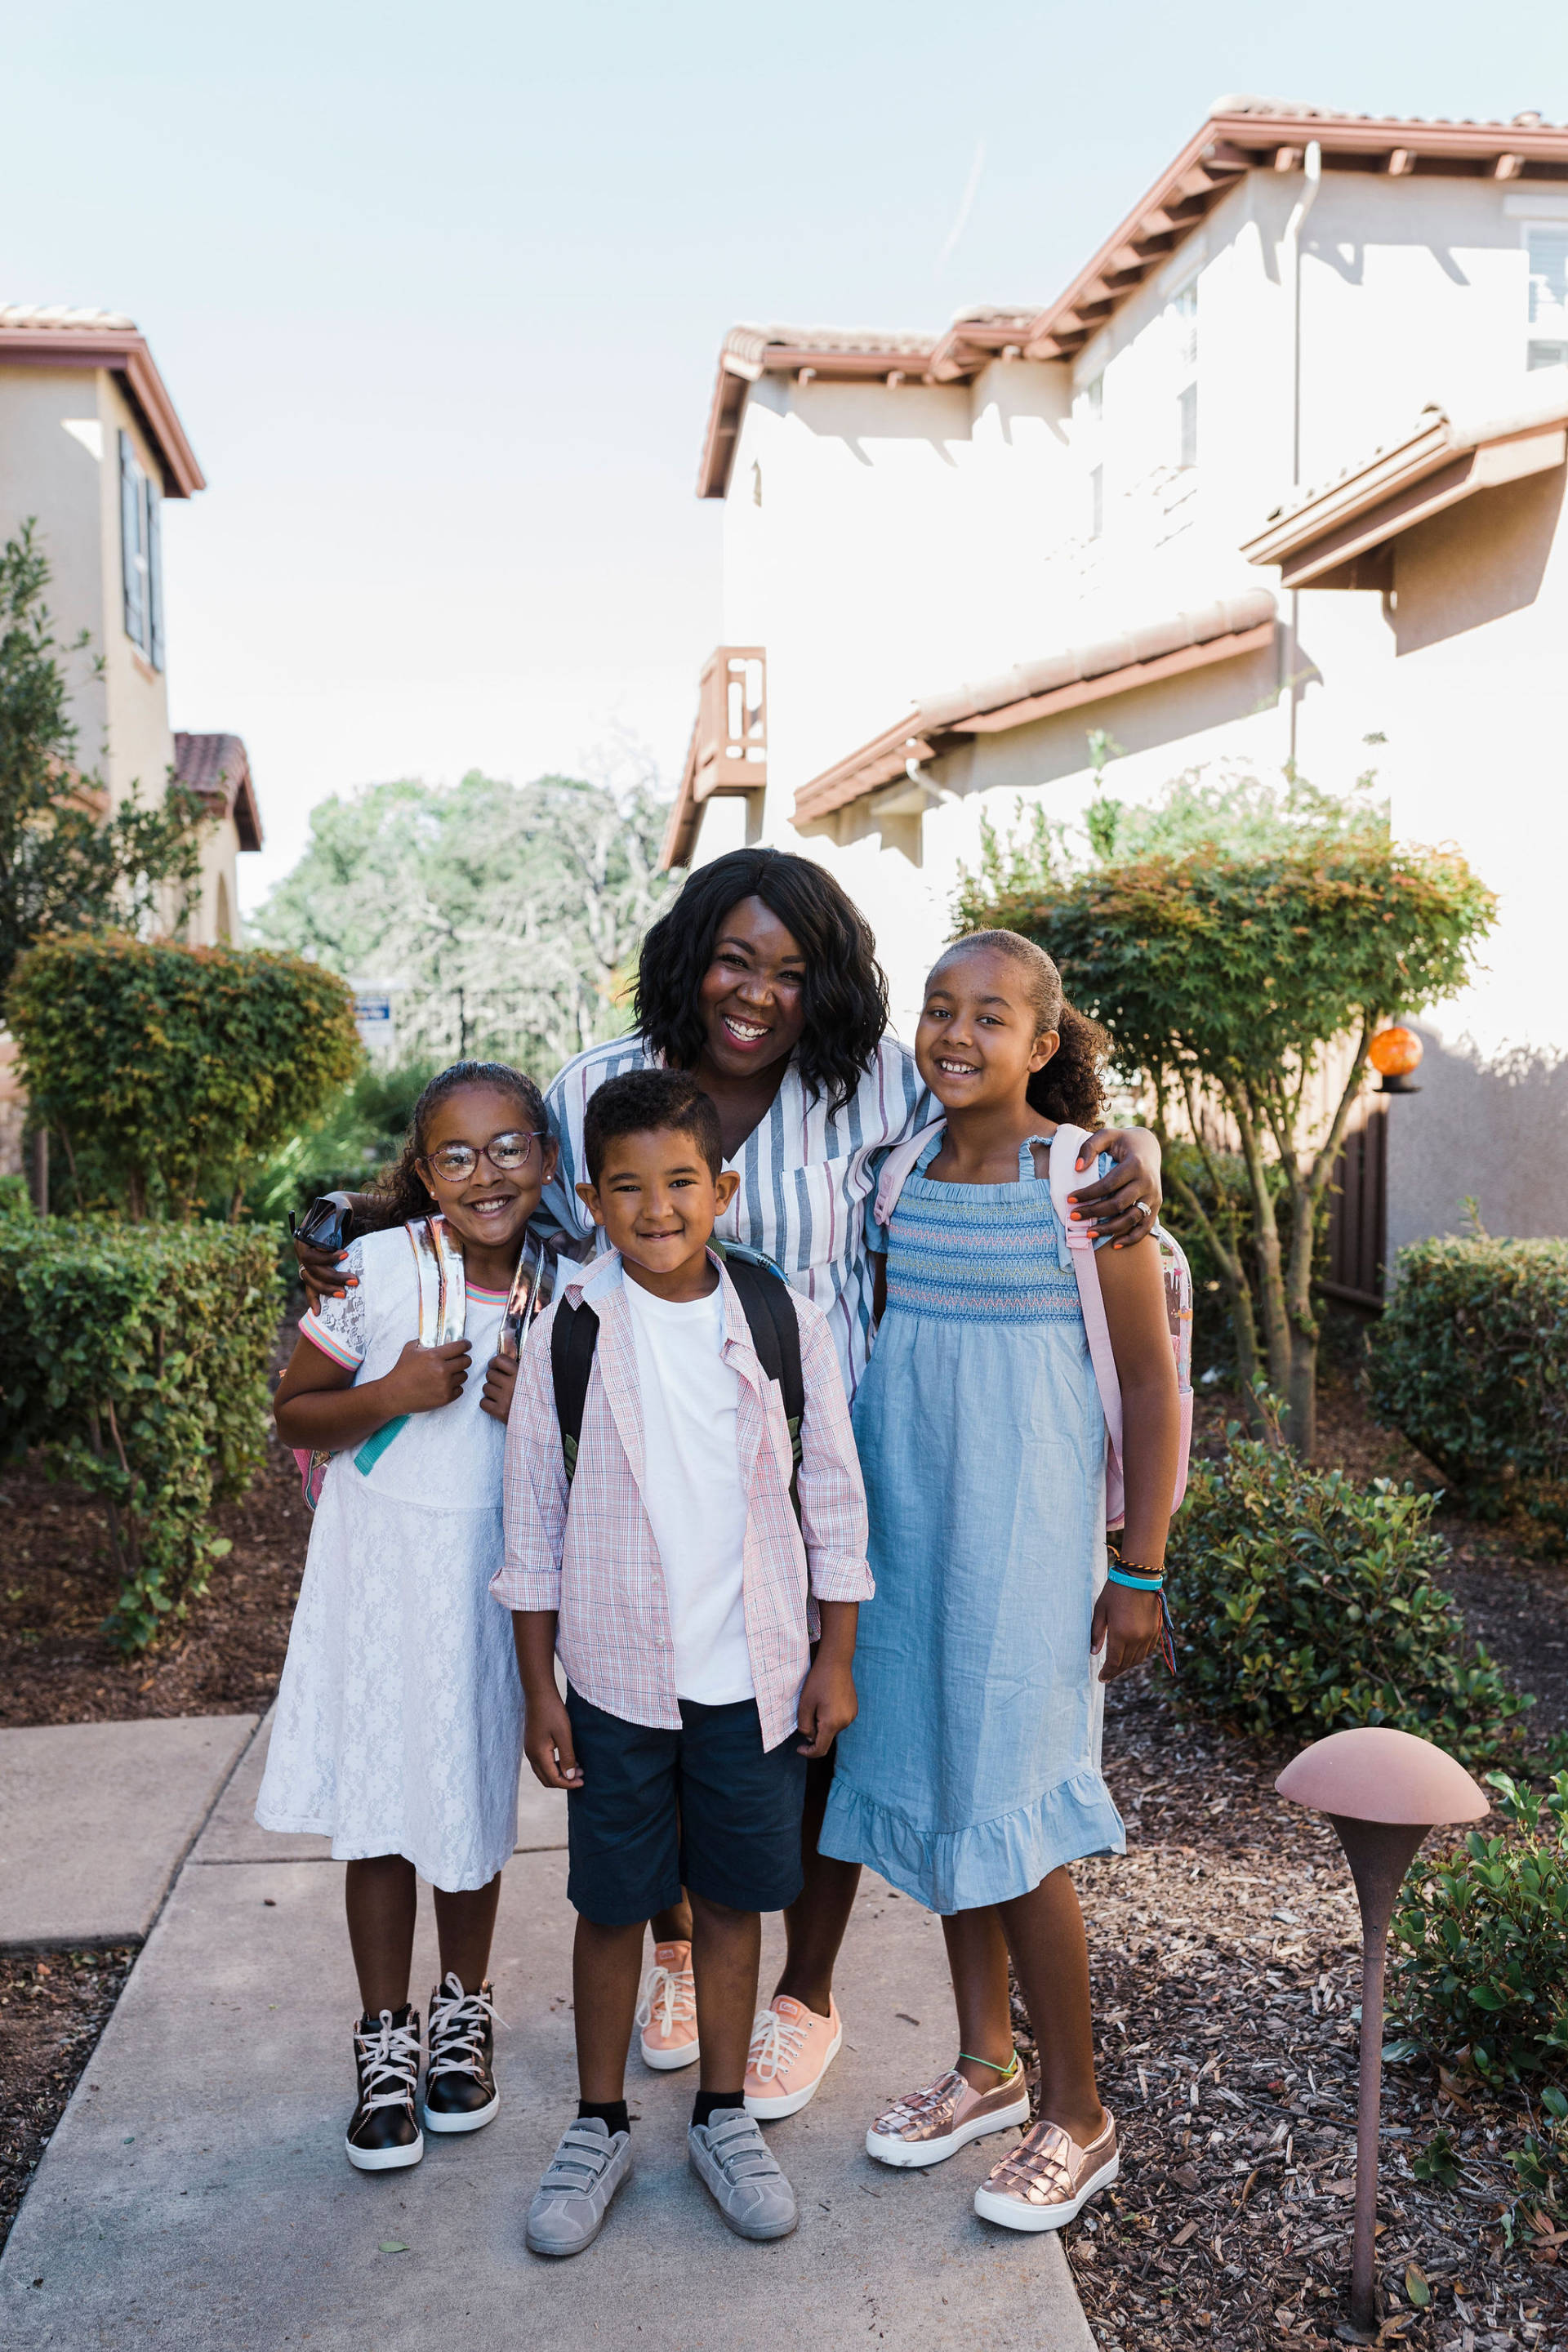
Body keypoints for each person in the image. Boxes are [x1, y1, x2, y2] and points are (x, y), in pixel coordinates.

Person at [292, 847, 1165, 2116]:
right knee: (657, 1702)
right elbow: (490, 1190)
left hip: (835, 1457)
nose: (758, 993)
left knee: (812, 1730)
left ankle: (804, 1994)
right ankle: (679, 1954)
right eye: (736, 958)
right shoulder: (598, 1085)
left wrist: (1129, 1139)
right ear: (691, 957)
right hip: (643, 1487)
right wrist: (341, 1231)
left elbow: (1019, 1126)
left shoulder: (874, 1083)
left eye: (795, 972)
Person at [820, 931, 1180, 2233]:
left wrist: (1139, 1564)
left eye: (991, 1015)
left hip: (1029, 1550)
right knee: (940, 1792)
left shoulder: (1084, 1180)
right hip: (910, 1536)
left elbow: (1150, 1384)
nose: (955, 1034)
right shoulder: (897, 1173)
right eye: (937, 1008)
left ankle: (1080, 2116)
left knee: (1021, 1824)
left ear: (1043, 1043)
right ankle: (987, 2062)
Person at [495, 1069, 870, 2256]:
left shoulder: (775, 1321)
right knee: (612, 1905)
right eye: (627, 1187)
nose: (656, 1208)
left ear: (722, 1188)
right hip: (612, 1681)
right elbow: (532, 1526)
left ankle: (721, 2114)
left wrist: (834, 1658)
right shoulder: (568, 1330)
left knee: (730, 1902)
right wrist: (538, 1688)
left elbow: (835, 1498)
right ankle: (599, 2122)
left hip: (752, 1676)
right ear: (590, 1200)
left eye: (679, 1183)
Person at [261, 1061, 557, 2172]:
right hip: (381, 1566)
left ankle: (461, 2014)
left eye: (511, 1147)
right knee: (383, 1801)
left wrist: (539, 1413)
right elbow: (296, 1407)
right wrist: (390, 1393)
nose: (487, 1174)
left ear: (546, 1155)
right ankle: (384, 2035)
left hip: (489, 1567)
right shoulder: (376, 1272)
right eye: (457, 1156)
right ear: (423, 1173)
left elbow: (599, 1441)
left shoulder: (569, 1283)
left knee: (470, 1799)